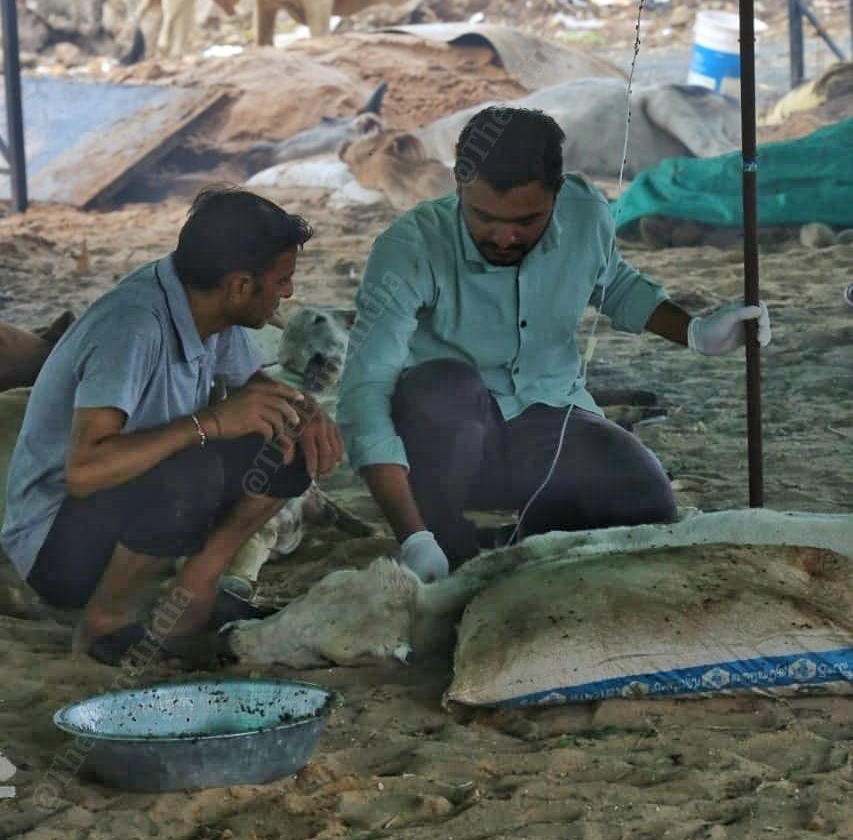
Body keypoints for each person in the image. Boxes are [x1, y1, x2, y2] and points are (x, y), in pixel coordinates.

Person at [336, 107, 771, 583]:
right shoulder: (409, 246)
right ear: (458, 186)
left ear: (557, 192)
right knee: (444, 388)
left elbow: (615, 283)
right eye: (483, 217)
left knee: (646, 499)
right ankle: (442, 541)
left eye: (526, 221)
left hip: (548, 418)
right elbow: (364, 391)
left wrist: (694, 331)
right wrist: (413, 537)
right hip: (443, 441)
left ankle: (521, 545)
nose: (503, 236)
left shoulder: (587, 214)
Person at [1, 188, 344, 664]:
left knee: (288, 435)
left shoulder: (205, 301)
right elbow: (84, 470)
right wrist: (209, 422)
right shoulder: (133, 328)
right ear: (240, 286)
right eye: (283, 280)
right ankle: (104, 623)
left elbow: (253, 386)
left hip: (133, 509)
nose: (288, 292)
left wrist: (303, 408)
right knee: (194, 468)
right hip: (58, 547)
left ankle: (194, 590)